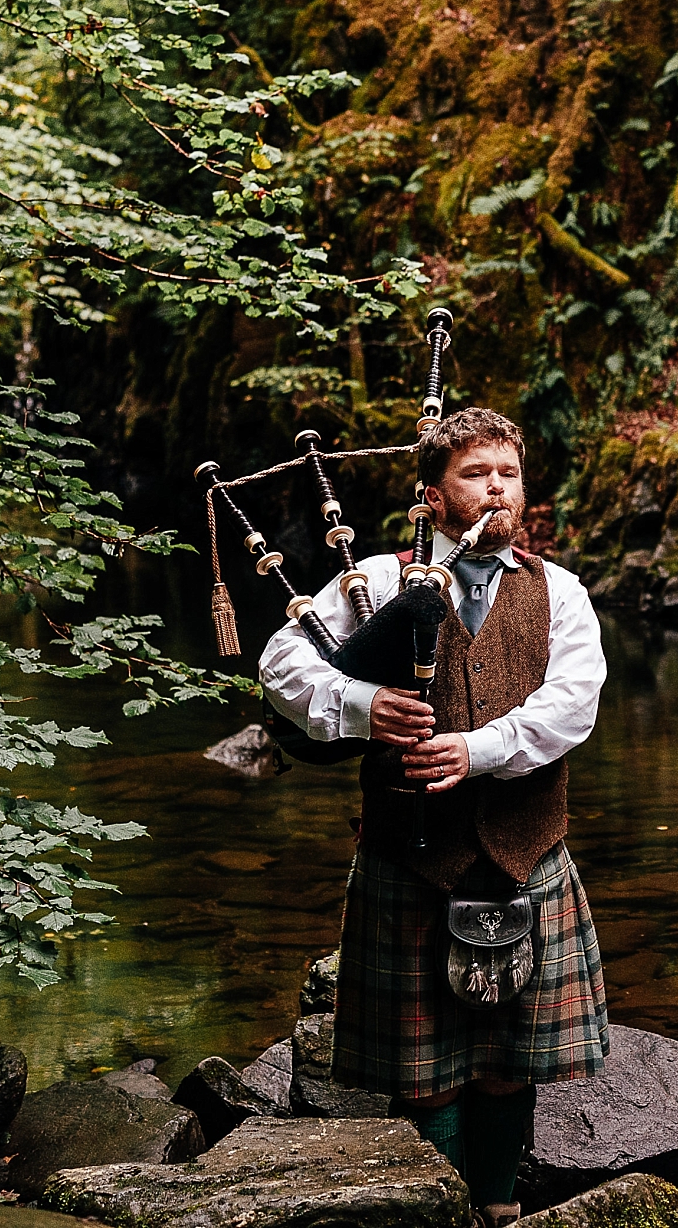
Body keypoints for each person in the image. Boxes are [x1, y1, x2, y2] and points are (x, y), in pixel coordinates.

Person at [259, 407, 610, 1227]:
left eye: (509, 474)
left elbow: (573, 705)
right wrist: (360, 701)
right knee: (428, 1072)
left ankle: (499, 1207)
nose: (497, 489)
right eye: (476, 474)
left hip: (527, 854)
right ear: (433, 494)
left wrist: (476, 749)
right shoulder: (378, 583)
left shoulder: (560, 592)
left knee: (509, 1065)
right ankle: (441, 1211)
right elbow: (282, 662)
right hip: (409, 859)